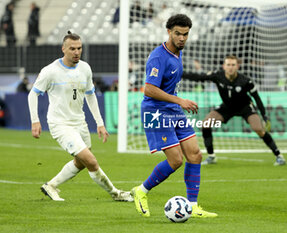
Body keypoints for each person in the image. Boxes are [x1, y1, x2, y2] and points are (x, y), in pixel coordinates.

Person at [28, 31, 133, 202]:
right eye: (72, 48)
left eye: (79, 48)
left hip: (79, 121)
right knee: (91, 161)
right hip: (60, 124)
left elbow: (91, 95)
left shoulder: (85, 68)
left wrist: (100, 123)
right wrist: (35, 121)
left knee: (81, 161)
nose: (77, 52)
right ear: (63, 49)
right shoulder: (50, 71)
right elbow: (33, 94)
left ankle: (51, 185)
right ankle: (116, 193)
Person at [131, 14, 217, 218]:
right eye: (177, 34)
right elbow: (149, 89)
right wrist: (180, 101)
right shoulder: (158, 57)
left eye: (185, 34)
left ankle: (193, 206)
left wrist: (177, 103)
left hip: (172, 110)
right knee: (176, 160)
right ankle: (141, 191)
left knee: (195, 155)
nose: (181, 38)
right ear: (169, 32)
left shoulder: (178, 54)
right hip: (156, 112)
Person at [182, 55, 286, 166]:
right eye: (228, 65)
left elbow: (257, 98)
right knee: (206, 124)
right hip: (227, 107)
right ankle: (211, 156)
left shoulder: (245, 81)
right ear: (224, 66)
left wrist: (264, 115)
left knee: (258, 129)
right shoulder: (218, 76)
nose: (230, 67)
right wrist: (180, 74)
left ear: (238, 66)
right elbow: (198, 77)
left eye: (233, 65)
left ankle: (279, 155)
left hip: (245, 107)